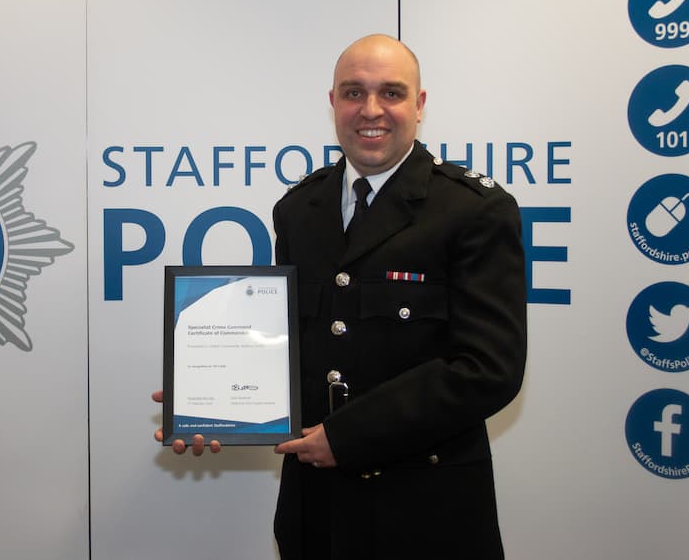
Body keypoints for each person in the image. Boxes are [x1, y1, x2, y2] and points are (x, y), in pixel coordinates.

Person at [155, 33, 527, 559]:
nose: (371, 110)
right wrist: (208, 402)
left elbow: (489, 368)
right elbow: (294, 345)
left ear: (419, 106)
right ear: (333, 103)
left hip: (427, 511)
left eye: (391, 94)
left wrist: (349, 436)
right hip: (318, 512)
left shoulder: (473, 211)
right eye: (353, 93)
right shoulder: (299, 210)